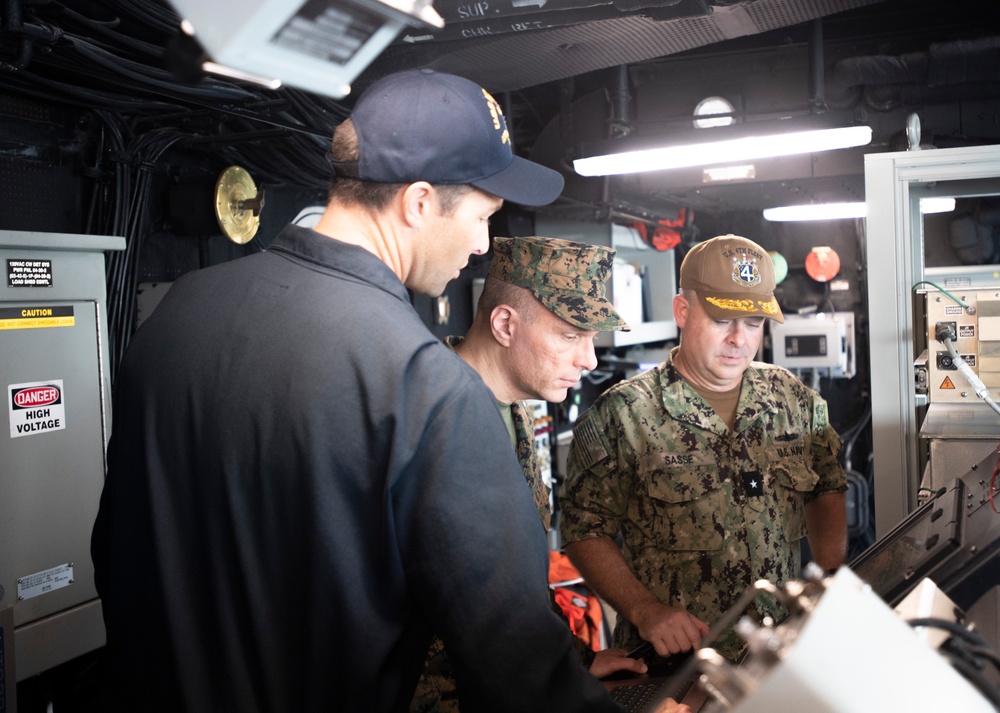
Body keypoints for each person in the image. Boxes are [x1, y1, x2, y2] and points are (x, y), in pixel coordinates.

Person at [90, 67, 689, 713]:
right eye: (484, 215)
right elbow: (512, 658)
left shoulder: (179, 313)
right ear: (419, 202)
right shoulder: (422, 382)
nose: (483, 244)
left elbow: (116, 553)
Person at [558, 234, 848, 662]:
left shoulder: (792, 399)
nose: (739, 339)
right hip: (674, 664)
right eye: (721, 320)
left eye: (753, 323)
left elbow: (827, 486)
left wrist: (827, 578)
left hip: (779, 653)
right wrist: (645, 610)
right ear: (682, 311)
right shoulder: (624, 414)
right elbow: (584, 531)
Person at [411, 235, 652, 712]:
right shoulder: (428, 418)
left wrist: (572, 661)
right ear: (504, 324)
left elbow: (515, 587)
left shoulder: (514, 410)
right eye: (570, 335)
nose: (590, 359)